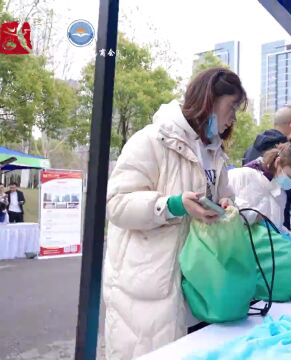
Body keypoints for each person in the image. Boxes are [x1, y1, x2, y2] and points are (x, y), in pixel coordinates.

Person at [103, 67, 246, 359]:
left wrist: (227, 206)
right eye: (231, 107)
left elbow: (224, 196)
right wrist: (173, 205)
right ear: (209, 99)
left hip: (197, 282)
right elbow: (116, 204)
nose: (233, 117)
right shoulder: (152, 140)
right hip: (149, 287)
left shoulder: (215, 153)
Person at [229, 137, 291, 247]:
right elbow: (225, 207)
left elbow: (276, 227)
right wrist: (253, 216)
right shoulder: (241, 176)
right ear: (278, 162)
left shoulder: (280, 194)